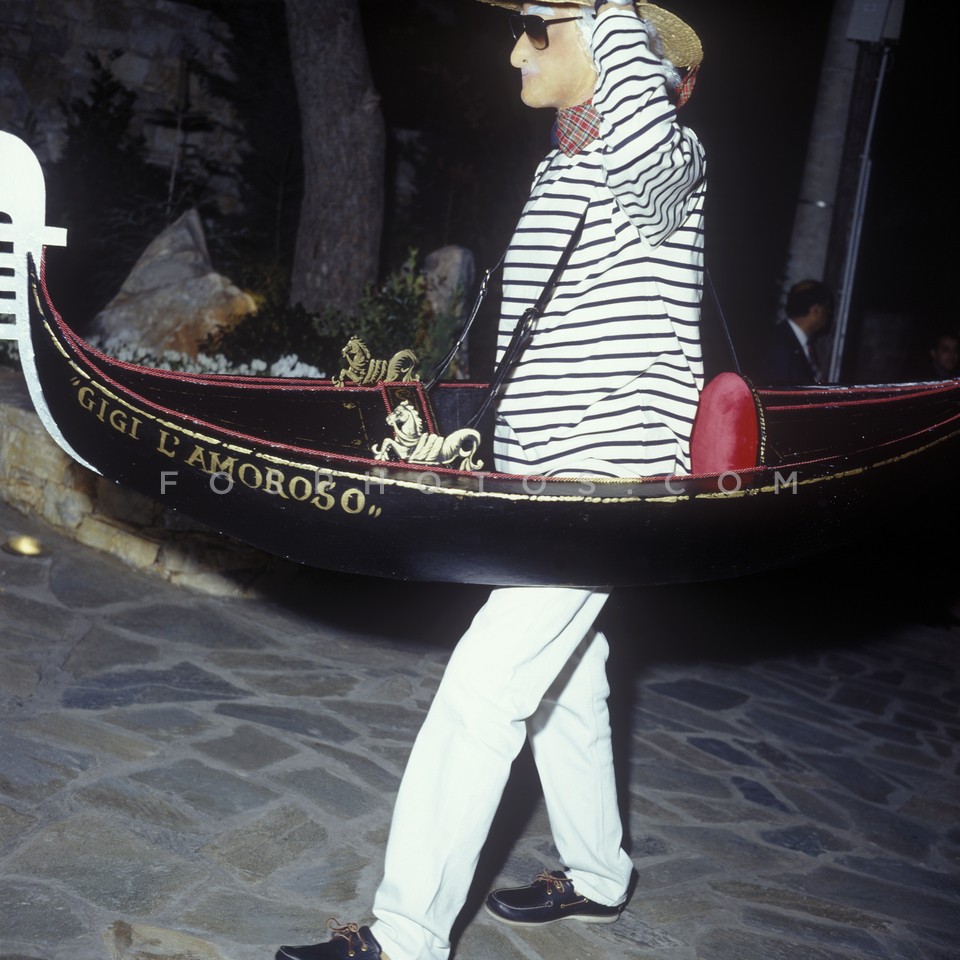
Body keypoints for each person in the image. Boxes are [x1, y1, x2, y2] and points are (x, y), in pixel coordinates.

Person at [275, 2, 706, 958]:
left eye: (539, 27)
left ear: (611, 47)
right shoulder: (565, 163)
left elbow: (642, 130)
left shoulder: (671, 164)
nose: (516, 49)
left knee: (485, 684)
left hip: (609, 478)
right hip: (545, 473)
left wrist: (608, 11)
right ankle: (598, 875)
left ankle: (405, 935)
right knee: (570, 675)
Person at [758, 279, 834, 385]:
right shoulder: (781, 349)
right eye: (826, 308)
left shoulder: (801, 344)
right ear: (815, 310)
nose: (829, 312)